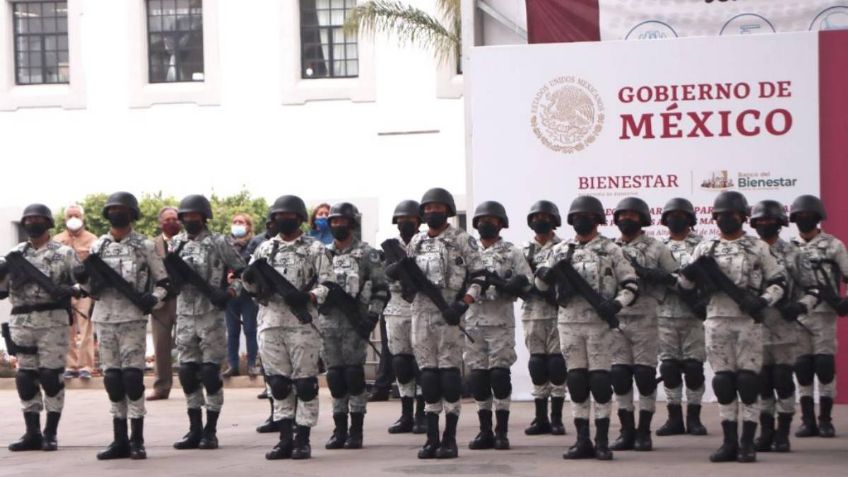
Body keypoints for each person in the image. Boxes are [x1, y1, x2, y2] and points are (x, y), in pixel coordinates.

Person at [678, 190, 785, 463]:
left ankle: (747, 443)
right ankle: (728, 443)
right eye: (722, 215)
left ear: (743, 217)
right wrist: (688, 278)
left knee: (748, 382)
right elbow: (685, 287)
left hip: (748, 321)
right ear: (714, 217)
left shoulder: (757, 247)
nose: (727, 219)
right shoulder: (705, 248)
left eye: (732, 215)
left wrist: (762, 301)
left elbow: (779, 282)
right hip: (716, 321)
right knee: (724, 382)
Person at [535, 195, 637, 461]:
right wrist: (544, 277)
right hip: (568, 322)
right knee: (577, 381)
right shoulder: (559, 250)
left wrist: (615, 305)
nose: (582, 220)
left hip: (599, 324)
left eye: (588, 216)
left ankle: (602, 441)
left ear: (598, 219)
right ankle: (582, 440)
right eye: (577, 216)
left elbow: (630, 285)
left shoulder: (611, 249)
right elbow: (540, 287)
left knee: (600, 382)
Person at [78, 192, 171, 460]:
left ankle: (137, 439)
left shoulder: (144, 245)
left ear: (132, 214)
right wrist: (83, 278)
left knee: (132, 379)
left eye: (123, 209)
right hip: (105, 318)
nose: (118, 213)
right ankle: (119, 440)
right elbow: (89, 289)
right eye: (113, 209)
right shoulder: (98, 247)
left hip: (132, 318)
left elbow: (163, 283)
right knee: (112, 380)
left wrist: (152, 299)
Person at [243, 194, 333, 460]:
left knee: (304, 384)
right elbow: (250, 284)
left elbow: (329, 283)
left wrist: (309, 297)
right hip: (270, 322)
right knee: (278, 384)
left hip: (302, 323)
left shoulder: (314, 249)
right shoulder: (264, 249)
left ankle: (302, 439)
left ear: (300, 218)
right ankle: (284, 439)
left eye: (289, 215)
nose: (284, 219)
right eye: (279, 216)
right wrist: (248, 281)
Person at [397, 187, 484, 460]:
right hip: (421, 316)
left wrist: (463, 303)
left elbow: (479, 276)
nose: (433, 212)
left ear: (447, 210)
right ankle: (432, 438)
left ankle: (450, 439)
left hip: (450, 315)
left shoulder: (462, 239)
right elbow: (408, 278)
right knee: (428, 379)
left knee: (448, 378)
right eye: (429, 208)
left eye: (438, 207)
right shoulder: (417, 242)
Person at [1, 204, 80, 452]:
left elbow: (85, 284)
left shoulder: (64, 253)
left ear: (48, 222)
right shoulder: (14, 255)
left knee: (51, 376)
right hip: (22, 321)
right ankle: (31, 433)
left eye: (38, 219)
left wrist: (67, 291)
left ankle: (51, 433)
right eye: (29, 219)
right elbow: (2, 291)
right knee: (25, 377)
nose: (33, 223)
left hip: (53, 320)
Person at [170, 195, 246, 451]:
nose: (190, 220)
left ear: (204, 217)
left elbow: (244, 273)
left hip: (211, 315)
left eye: (194, 216)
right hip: (184, 315)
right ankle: (194, 429)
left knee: (210, 374)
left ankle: (210, 431)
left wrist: (230, 292)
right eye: (186, 216)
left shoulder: (219, 242)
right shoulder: (175, 245)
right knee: (188, 374)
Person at [609, 197, 677, 452]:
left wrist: (652, 274)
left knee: (645, 376)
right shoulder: (607, 247)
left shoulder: (656, 247)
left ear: (643, 219)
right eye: (623, 215)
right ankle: (626, 430)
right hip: (616, 319)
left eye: (633, 215)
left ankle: (643, 431)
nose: (627, 219)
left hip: (646, 317)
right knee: (620, 376)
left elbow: (677, 278)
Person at [750, 200, 817, 453]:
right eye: (760, 221)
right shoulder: (749, 251)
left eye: (770, 221)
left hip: (785, 328)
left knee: (783, 381)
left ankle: (783, 432)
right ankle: (766, 432)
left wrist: (800, 307)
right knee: (762, 383)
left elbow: (813, 290)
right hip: (754, 329)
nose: (765, 225)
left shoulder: (793, 254)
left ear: (780, 223)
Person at [320, 202, 388, 451]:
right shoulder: (322, 254)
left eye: (342, 221)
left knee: (354, 376)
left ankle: (356, 431)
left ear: (352, 223)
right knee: (335, 377)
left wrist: (372, 317)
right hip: (327, 323)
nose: (338, 225)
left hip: (355, 323)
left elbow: (381, 288)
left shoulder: (367, 254)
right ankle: (339, 429)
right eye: (334, 221)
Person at [465, 201, 532, 451]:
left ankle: (501, 432)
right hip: (472, 323)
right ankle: (484, 432)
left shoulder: (512, 252)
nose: (486, 224)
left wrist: (511, 284)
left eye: (492, 220)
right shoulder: (468, 252)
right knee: (478, 378)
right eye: (482, 220)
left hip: (500, 322)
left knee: (499, 376)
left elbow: (527, 282)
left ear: (501, 224)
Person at [789, 194, 848, 439]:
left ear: (818, 217)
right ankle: (807, 420)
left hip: (823, 313)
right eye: (800, 216)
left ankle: (825, 420)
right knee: (802, 367)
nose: (805, 219)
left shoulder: (833, 245)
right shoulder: (789, 247)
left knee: (824, 366)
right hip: (798, 316)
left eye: (809, 216)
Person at [655, 198, 708, 436]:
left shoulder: (702, 246)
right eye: (671, 215)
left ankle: (694, 418)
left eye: (681, 215)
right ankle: (674, 418)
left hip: (693, 315)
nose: (676, 219)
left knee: (694, 368)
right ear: (665, 220)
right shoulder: (658, 247)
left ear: (690, 219)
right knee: (669, 369)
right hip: (664, 315)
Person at [521, 200, 567, 437]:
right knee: (537, 364)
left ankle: (557, 419)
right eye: (536, 217)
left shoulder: (564, 248)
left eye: (545, 216)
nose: (541, 220)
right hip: (532, 314)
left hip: (558, 312)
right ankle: (540, 418)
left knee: (557, 365)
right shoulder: (523, 251)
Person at [384, 200, 426, 434]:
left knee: (422, 364)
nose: (404, 223)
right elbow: (385, 276)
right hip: (396, 310)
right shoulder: (390, 247)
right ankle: (406, 414)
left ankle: (422, 414)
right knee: (401, 363)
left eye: (409, 219)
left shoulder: (427, 244)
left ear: (419, 222)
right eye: (400, 220)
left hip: (422, 308)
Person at [53, 204, 97, 379]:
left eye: (76, 215)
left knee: (85, 327)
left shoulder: (93, 239)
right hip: (64, 289)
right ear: (64, 219)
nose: (73, 218)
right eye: (70, 215)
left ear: (83, 217)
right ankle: (70, 366)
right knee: (66, 326)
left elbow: (97, 266)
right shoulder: (56, 240)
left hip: (84, 289)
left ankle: (86, 366)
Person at [147, 206, 181, 401]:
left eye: (175, 219)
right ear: (160, 222)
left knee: (189, 343)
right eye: (167, 219)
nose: (171, 222)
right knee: (160, 345)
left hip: (184, 299)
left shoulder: (187, 242)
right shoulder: (151, 245)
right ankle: (161, 387)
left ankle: (195, 384)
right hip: (160, 302)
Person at [223, 213, 259, 378]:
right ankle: (232, 365)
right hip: (230, 293)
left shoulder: (254, 244)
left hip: (248, 293)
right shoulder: (224, 245)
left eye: (241, 222)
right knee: (232, 331)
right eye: (235, 221)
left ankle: (253, 365)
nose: (237, 224)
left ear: (248, 227)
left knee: (251, 330)